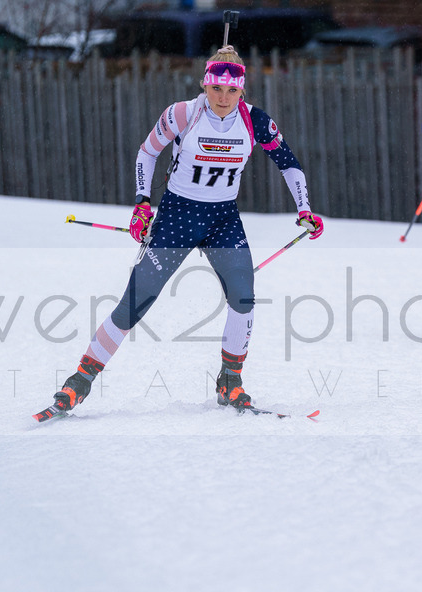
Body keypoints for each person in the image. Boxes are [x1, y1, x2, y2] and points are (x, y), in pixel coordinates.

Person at [36, 46, 324, 420]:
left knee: (244, 299)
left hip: (223, 219)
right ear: (205, 84)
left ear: (242, 91)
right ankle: (78, 382)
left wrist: (304, 208)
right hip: (178, 216)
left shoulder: (255, 122)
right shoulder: (182, 114)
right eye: (215, 88)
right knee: (136, 301)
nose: (222, 98)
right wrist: (142, 203)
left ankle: (230, 382)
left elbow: (289, 165)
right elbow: (146, 153)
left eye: (231, 90)